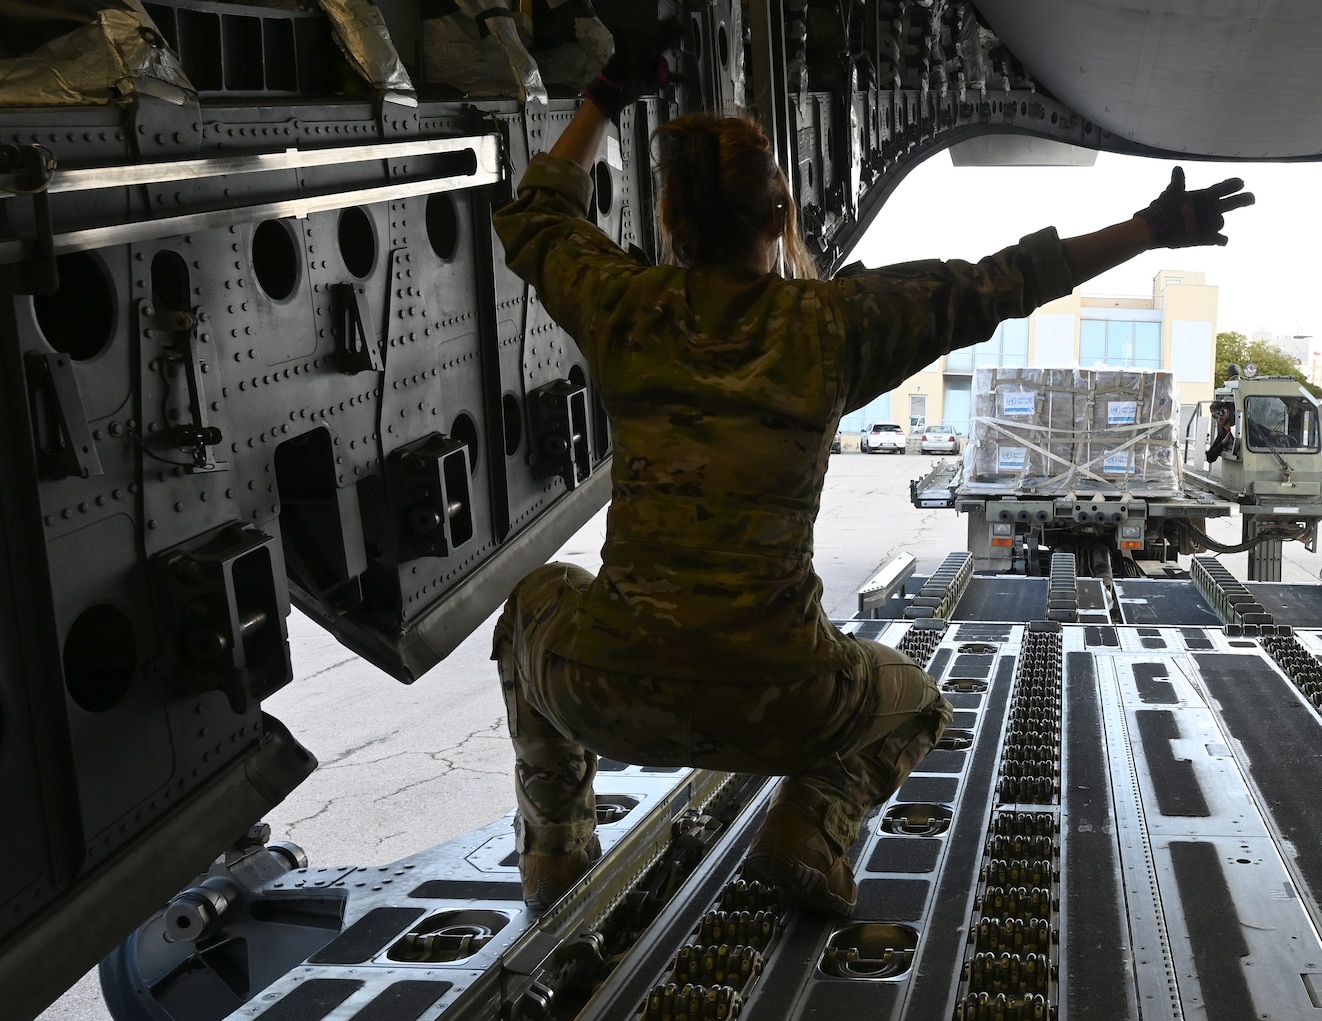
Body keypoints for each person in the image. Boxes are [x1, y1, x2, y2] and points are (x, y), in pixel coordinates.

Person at [487, 29, 1255, 911]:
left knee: (531, 605)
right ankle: (809, 828)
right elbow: (998, 283)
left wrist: (605, 97)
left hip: (609, 692)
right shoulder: (831, 327)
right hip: (783, 702)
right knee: (920, 702)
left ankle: (555, 858)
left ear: (672, 224)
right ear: (778, 221)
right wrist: (1154, 228)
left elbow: (536, 217)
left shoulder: (623, 306)